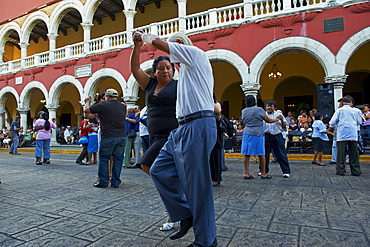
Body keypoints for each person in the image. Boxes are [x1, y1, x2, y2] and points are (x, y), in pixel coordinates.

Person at [133, 30, 217, 247]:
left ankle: (206, 241)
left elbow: (159, 43)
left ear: (184, 46)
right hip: (181, 129)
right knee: (158, 170)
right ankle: (185, 214)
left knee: (198, 186)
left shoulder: (197, 55)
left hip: (197, 124)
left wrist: (145, 37)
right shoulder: (185, 75)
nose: (171, 52)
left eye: (175, 46)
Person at [84, 88, 127, 188]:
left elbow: (86, 111)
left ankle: (103, 181)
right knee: (118, 159)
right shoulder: (122, 106)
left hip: (108, 136)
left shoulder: (103, 105)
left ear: (107, 96)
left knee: (104, 159)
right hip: (121, 136)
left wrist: (87, 102)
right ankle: (115, 182)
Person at [241, 95, 280, 180]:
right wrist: (276, 120)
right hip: (257, 133)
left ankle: (247, 173)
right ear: (254, 101)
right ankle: (263, 173)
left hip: (247, 133)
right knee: (261, 154)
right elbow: (268, 120)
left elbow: (243, 121)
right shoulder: (259, 109)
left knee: (246, 154)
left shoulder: (244, 111)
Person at [328, 97, 363, 176]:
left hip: (342, 135)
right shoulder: (356, 111)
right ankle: (356, 170)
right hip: (353, 134)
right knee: (354, 153)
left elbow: (332, 122)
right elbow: (360, 121)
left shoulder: (339, 110)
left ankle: (341, 170)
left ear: (342, 103)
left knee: (341, 153)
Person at [263, 101, 291, 178]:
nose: (269, 107)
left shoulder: (278, 114)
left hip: (277, 135)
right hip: (266, 136)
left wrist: (281, 120)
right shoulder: (263, 115)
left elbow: (285, 126)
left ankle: (286, 171)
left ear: (274, 108)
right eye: (268, 106)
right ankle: (263, 171)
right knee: (265, 154)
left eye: (271, 106)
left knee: (281, 153)